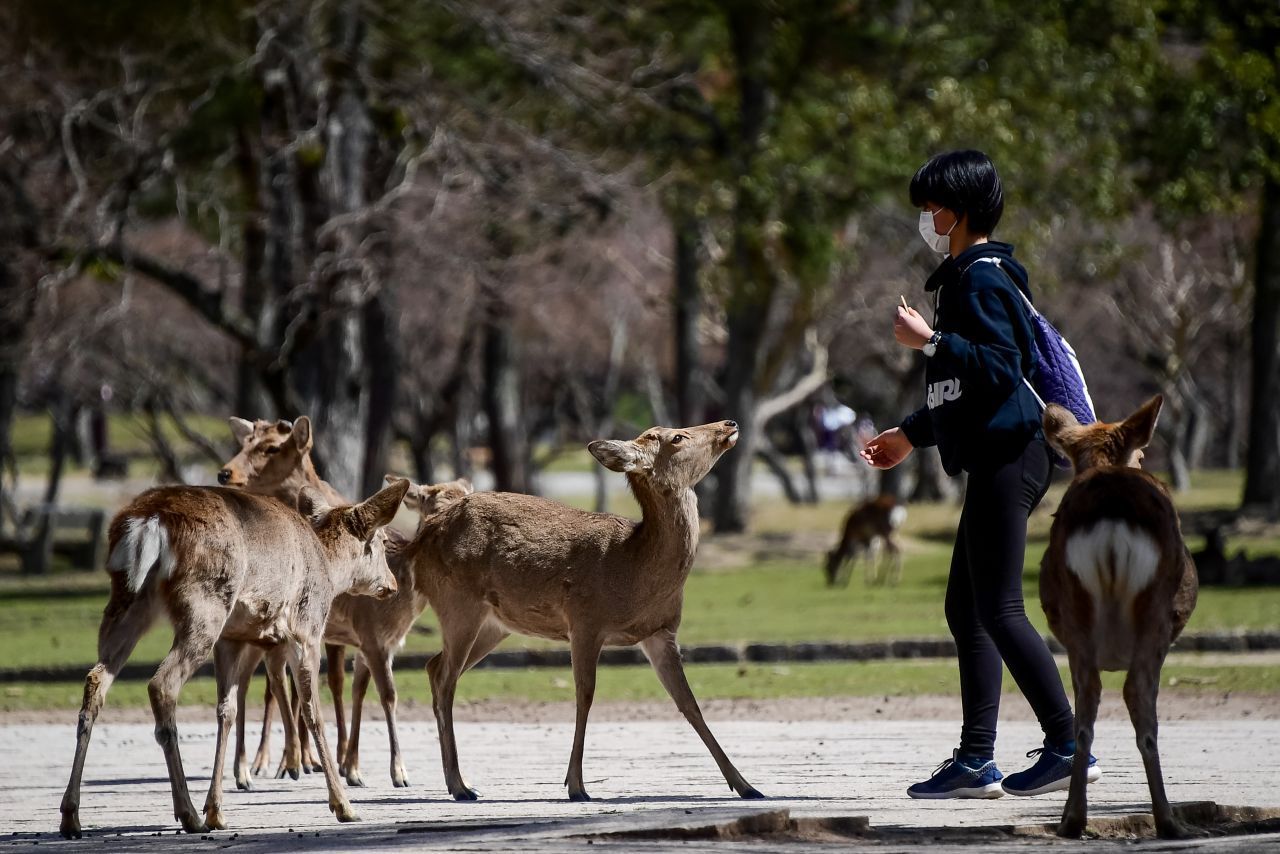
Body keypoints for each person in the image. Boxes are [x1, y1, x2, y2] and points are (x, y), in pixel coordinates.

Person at [860, 150, 1101, 799]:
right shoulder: (966, 278)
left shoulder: (984, 278)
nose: (925, 219)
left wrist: (929, 342)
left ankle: (1069, 742)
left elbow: (1000, 365)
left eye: (930, 208)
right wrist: (910, 436)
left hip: (1014, 454)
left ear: (957, 212)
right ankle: (976, 760)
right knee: (967, 605)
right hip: (1000, 450)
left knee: (995, 604)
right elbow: (967, 393)